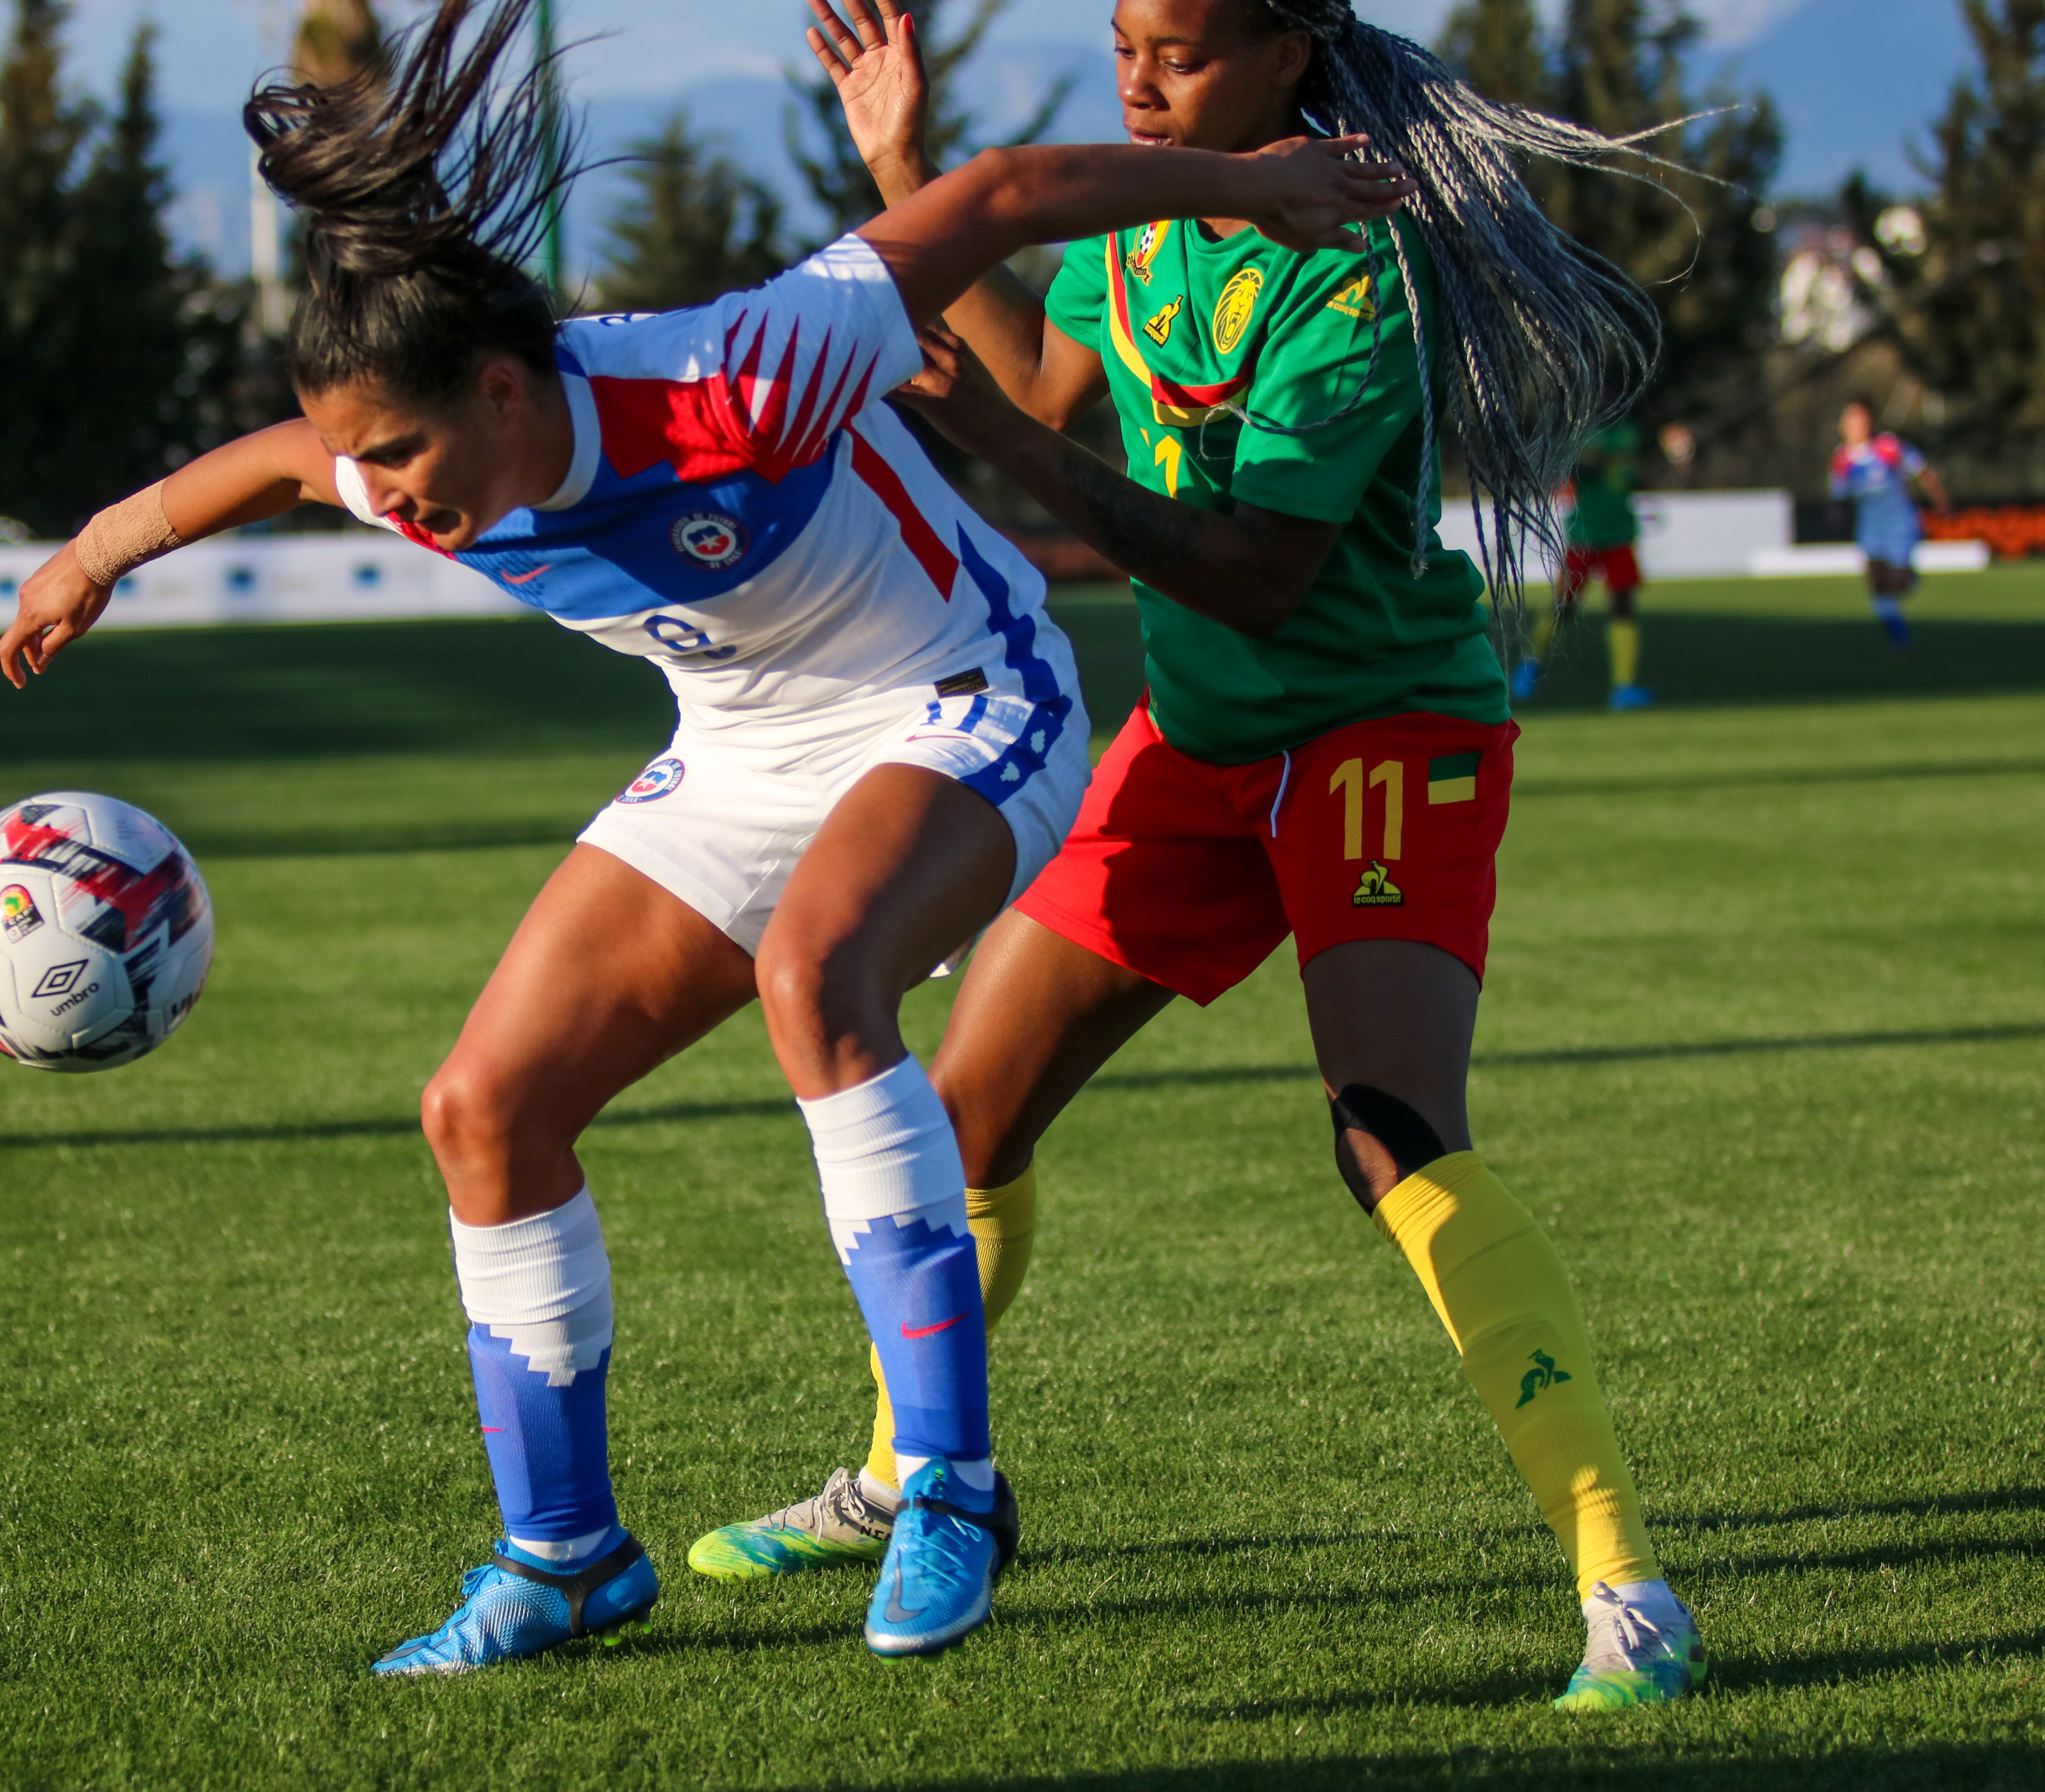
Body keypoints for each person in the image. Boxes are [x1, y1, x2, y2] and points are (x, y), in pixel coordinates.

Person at [0, 0, 1403, 1676]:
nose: (382, 491)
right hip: (742, 752)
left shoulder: (737, 369)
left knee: (820, 975)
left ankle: (949, 1487)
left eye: (402, 454)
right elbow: (277, 465)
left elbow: (1007, 195)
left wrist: (1254, 187)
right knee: (482, 1107)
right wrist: (95, 552)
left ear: (503, 387)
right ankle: (565, 1556)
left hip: (961, 698)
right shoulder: (400, 454)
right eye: (365, 459)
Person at [689, 0, 1703, 1714]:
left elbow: (1254, 574)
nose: (1136, 80)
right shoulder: (1140, 214)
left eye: (1178, 49)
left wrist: (1011, 451)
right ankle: (902, 1473)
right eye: (1121, 40)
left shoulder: (1358, 258)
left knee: (1389, 1140)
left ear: (1286, 53)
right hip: (1198, 744)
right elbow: (1045, 374)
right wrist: (904, 166)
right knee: (960, 1121)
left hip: (1380, 739)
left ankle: (1625, 1582)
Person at [1513, 418, 1648, 709]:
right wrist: (1598, 462)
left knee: (1624, 606)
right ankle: (1530, 662)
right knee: (1565, 605)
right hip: (1585, 536)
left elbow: (1634, 478)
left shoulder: (1628, 432)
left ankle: (1624, 687)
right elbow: (1575, 472)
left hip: (1620, 534)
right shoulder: (1584, 433)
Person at [1829, 398, 1949, 648]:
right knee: (1878, 590)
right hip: (1870, 530)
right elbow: (1838, 496)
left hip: (1900, 525)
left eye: (1861, 421)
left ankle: (1909, 579)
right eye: (1852, 422)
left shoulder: (1888, 447)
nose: (1857, 427)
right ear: (1843, 427)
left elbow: (1922, 469)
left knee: (1897, 583)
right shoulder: (1842, 460)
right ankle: (1900, 638)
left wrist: (1940, 499)